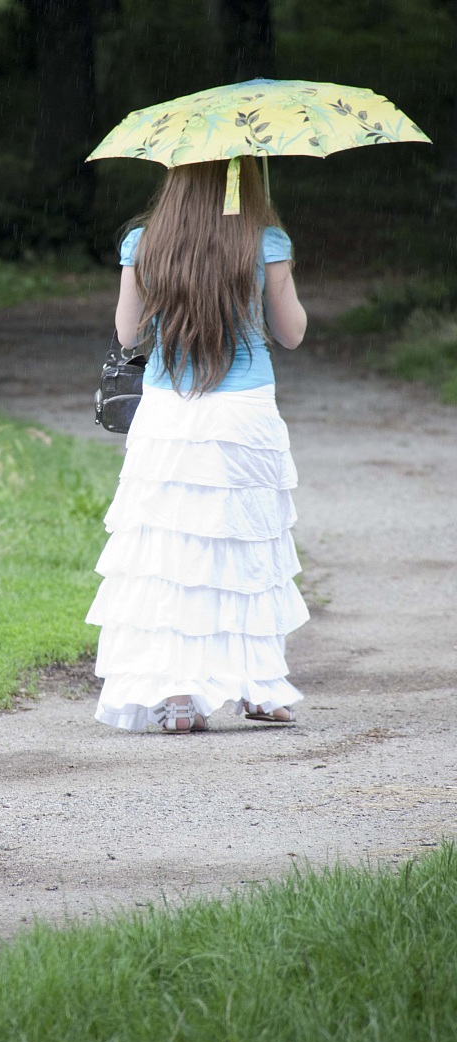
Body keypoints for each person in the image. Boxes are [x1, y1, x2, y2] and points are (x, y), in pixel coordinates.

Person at [87, 157, 309, 733]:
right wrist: (272, 266)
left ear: (177, 176)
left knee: (172, 554)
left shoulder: (144, 242)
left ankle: (179, 696)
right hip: (245, 413)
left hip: (170, 413)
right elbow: (291, 333)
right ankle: (259, 686)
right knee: (249, 547)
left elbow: (128, 333)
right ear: (245, 176)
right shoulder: (264, 240)